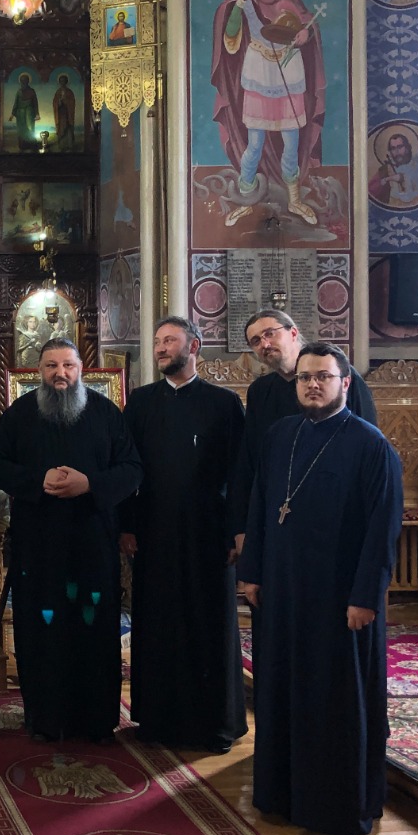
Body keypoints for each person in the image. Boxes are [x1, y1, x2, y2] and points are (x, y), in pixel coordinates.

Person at [236, 343, 402, 835]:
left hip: (339, 599)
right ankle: (281, 795)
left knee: (334, 702)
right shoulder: (280, 435)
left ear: (344, 384)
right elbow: (261, 505)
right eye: (305, 377)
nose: (312, 384)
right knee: (282, 692)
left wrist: (365, 597)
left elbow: (383, 530)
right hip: (283, 593)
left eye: (323, 377)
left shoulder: (371, 445)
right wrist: (252, 571)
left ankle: (334, 807)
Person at [0, 338, 142, 743]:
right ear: (38, 370)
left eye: (68, 365)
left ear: (81, 370)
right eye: (51, 366)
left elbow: (131, 469)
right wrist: (37, 481)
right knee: (42, 629)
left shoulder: (105, 413)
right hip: (38, 546)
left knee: (94, 629)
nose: (60, 373)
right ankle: (44, 717)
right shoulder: (21, 413)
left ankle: (96, 720)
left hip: (93, 542)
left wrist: (90, 484)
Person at [122, 317, 248, 754]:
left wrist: (236, 531)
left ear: (193, 346)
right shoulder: (140, 403)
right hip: (153, 532)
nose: (160, 348)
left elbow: (239, 473)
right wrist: (126, 524)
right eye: (157, 341)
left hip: (208, 534)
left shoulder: (224, 403)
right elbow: (127, 469)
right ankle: (157, 720)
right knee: (158, 623)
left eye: (169, 341)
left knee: (208, 624)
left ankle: (214, 725)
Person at [227, 308, 377, 555]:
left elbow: (368, 448)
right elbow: (250, 460)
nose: (264, 344)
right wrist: (241, 526)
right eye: (256, 341)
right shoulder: (260, 391)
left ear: (293, 333)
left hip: (335, 514)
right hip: (278, 514)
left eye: (270, 334)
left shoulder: (339, 379)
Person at [211, 0, 324, 227]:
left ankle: (294, 200)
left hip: (289, 68)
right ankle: (246, 200)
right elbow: (229, 27)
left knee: (291, 140)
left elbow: (305, 20)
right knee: (255, 142)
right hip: (259, 68)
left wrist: (305, 33)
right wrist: (241, 1)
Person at [368, 130, 418, 207]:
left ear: (407, 148)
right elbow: (370, 192)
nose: (397, 151)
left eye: (400, 147)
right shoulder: (385, 171)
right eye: (393, 148)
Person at [52, 73, 77, 149]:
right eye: (61, 81)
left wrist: (65, 101)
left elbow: (72, 102)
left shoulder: (69, 92)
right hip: (60, 114)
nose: (62, 83)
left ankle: (69, 145)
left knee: (68, 129)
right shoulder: (58, 92)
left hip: (67, 114)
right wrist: (58, 102)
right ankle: (62, 145)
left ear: (66, 82)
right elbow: (55, 103)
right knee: (61, 129)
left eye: (63, 81)